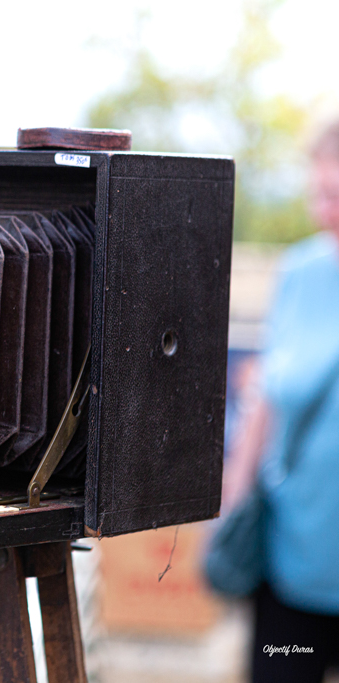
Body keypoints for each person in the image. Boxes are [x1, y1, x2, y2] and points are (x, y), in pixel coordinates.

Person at [222, 119, 339, 682]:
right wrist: (233, 506)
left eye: (333, 195)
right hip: (291, 564)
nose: (321, 211)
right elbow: (265, 401)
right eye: (317, 193)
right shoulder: (300, 272)